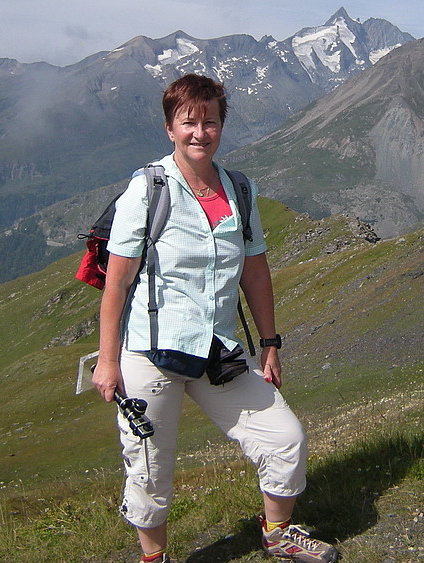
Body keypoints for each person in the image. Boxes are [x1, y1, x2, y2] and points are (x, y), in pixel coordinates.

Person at [92, 74, 338, 563]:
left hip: (217, 351)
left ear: (221, 127)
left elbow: (256, 272)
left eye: (210, 122)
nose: (199, 133)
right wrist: (107, 360)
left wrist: (270, 344)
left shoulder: (240, 190)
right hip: (150, 354)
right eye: (188, 123)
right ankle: (154, 558)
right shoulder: (147, 190)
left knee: (284, 438)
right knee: (149, 467)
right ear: (170, 128)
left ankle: (278, 534)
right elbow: (116, 284)